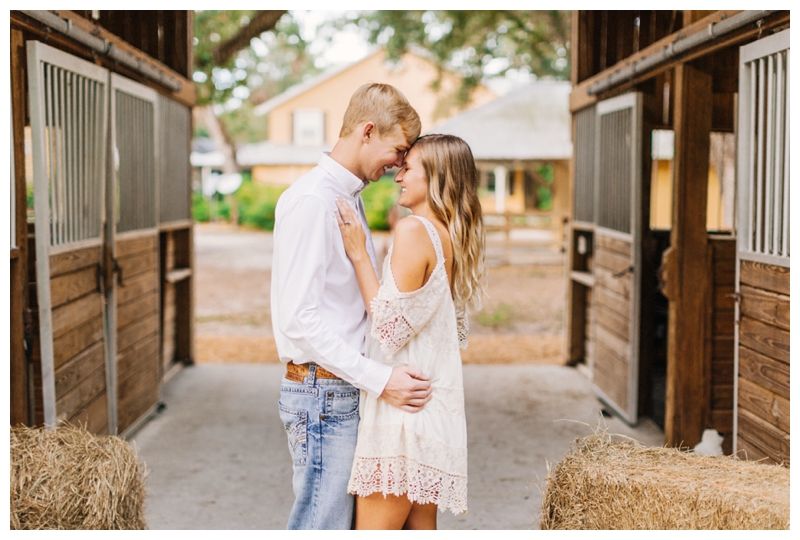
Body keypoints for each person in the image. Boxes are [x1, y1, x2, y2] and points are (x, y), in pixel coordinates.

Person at [271, 83, 433, 530]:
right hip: (323, 392)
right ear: (367, 131)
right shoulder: (312, 202)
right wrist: (381, 380)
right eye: (398, 149)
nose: (400, 164)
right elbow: (298, 321)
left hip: (341, 390)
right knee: (320, 527)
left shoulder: (348, 198)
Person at [334, 133, 486, 529]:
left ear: (435, 176)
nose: (398, 176)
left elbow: (388, 328)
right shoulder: (449, 234)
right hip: (430, 413)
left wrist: (358, 254)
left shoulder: (415, 230)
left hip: (403, 416)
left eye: (408, 168)